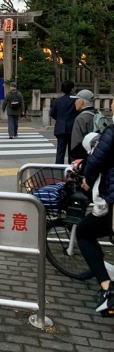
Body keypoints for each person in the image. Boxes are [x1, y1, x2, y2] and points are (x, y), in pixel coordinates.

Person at [76, 96, 114, 317]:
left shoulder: (111, 133)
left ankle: (107, 289)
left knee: (84, 232)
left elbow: (95, 161)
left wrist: (87, 181)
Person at [50, 80, 78, 164]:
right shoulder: (76, 100)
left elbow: (52, 113)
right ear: (72, 89)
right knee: (72, 151)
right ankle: (72, 168)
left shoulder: (57, 101)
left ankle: (58, 168)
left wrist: (59, 120)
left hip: (60, 128)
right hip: (73, 128)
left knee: (60, 151)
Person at [70, 89, 96, 160]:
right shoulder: (97, 114)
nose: (75, 102)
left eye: (76, 100)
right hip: (96, 155)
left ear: (81, 102)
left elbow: (76, 143)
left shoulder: (80, 118)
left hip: (84, 157)